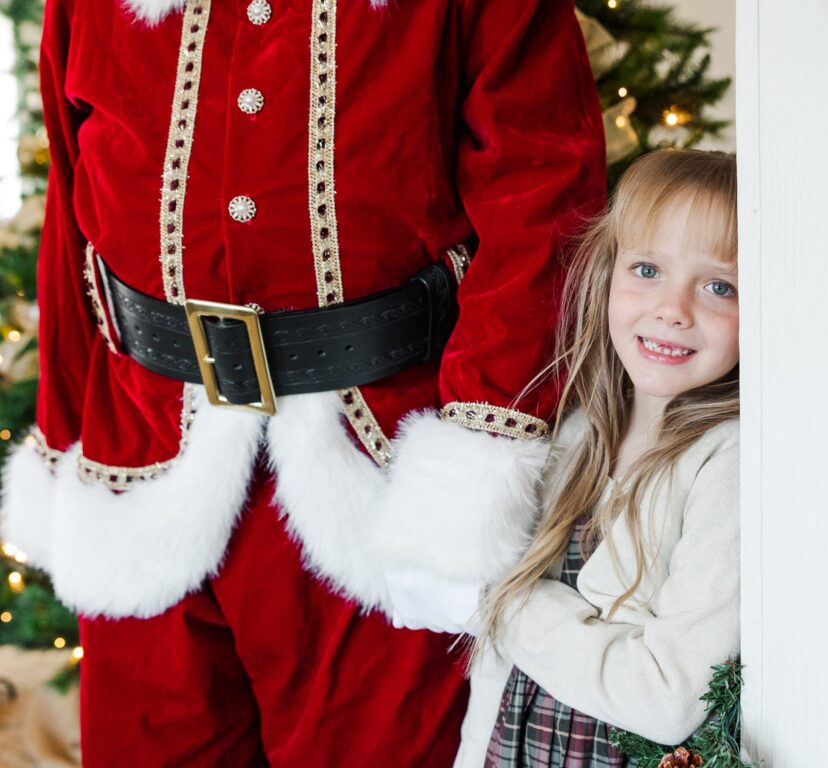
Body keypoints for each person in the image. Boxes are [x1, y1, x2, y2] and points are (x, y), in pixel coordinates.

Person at [0, 0, 605, 763]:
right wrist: (66, 439)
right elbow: (73, 188)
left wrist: (484, 445)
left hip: (380, 476)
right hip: (142, 455)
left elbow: (543, 193)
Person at [455, 149, 741, 766]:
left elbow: (669, 698)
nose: (672, 308)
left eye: (719, 286)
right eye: (647, 269)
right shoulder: (572, 434)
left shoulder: (729, 463)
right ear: (607, 274)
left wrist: (503, 600)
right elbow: (496, 688)